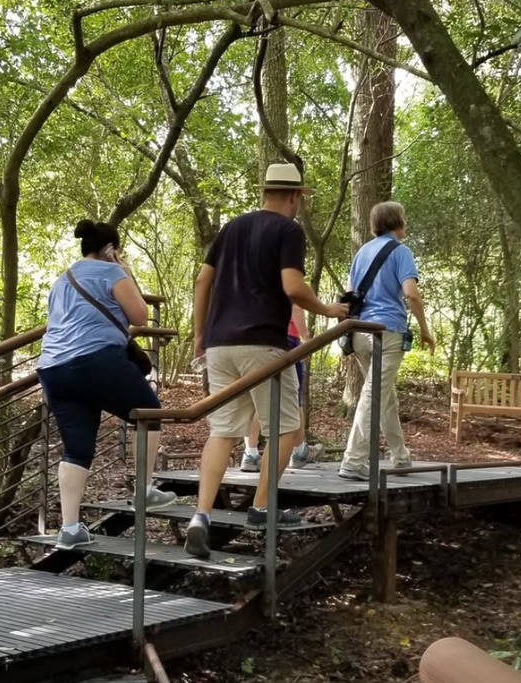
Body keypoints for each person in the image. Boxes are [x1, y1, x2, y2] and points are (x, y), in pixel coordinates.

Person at [185, 163, 349, 558]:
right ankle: (261, 508)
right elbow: (292, 286)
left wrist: (199, 336)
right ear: (294, 196)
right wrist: (328, 310)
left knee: (222, 432)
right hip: (263, 345)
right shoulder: (287, 230)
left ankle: (200, 516)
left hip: (220, 346)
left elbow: (202, 281)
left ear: (266, 192)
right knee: (287, 430)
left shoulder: (231, 228)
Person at [37, 220, 176, 551]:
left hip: (54, 369)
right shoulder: (112, 273)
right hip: (95, 361)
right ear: (111, 249)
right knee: (149, 413)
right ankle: (143, 491)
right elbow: (140, 316)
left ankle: (70, 528)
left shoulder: (61, 281)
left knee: (77, 448)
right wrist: (123, 269)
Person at [338, 201, 434, 481]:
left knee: (384, 395)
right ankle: (353, 461)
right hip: (385, 332)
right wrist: (425, 330)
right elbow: (411, 294)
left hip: (358, 332)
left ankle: (400, 456)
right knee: (373, 395)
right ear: (398, 222)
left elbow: (349, 292)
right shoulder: (400, 251)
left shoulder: (362, 253)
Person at [241, 304, 323, 471]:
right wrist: (306, 338)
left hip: (257, 339)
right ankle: (299, 451)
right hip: (286, 339)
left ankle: (250, 453)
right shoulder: (285, 277)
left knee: (260, 396)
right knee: (294, 398)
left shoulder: (254, 280)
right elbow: (296, 305)